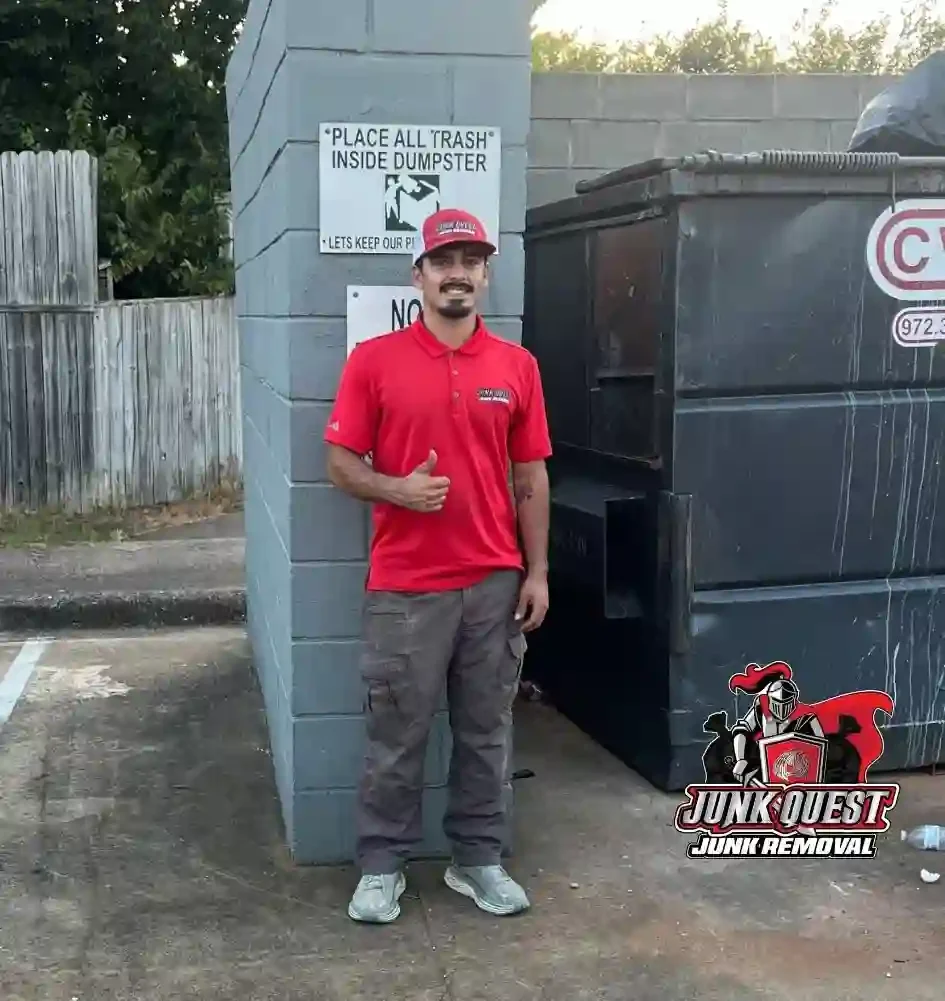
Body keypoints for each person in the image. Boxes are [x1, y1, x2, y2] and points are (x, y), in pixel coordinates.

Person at [323, 207, 552, 923]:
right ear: (417, 274)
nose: (457, 273)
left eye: (470, 261)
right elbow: (336, 462)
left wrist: (535, 571)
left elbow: (531, 476)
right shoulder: (374, 361)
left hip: (492, 582)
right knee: (397, 735)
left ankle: (477, 858)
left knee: (486, 730)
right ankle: (381, 865)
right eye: (443, 260)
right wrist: (396, 489)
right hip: (404, 589)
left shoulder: (516, 367)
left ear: (485, 274)